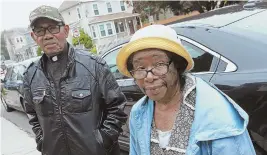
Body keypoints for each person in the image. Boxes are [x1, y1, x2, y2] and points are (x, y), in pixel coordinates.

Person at [116, 25, 256, 155]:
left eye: (159, 64)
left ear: (177, 66)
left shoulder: (217, 116)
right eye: (140, 68)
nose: (149, 76)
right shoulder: (139, 113)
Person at [23, 5, 127, 155]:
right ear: (34, 37)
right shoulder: (31, 75)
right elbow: (32, 114)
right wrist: (42, 141)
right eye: (40, 30)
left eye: (53, 28)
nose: (47, 35)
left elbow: (117, 108)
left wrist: (102, 141)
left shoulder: (94, 66)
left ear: (65, 30)